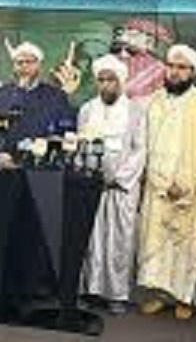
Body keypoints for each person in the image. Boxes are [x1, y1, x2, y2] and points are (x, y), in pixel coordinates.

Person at [0, 41, 76, 321]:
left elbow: (67, 131)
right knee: (4, 233)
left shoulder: (55, 96)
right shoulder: (0, 96)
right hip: (4, 177)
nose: (23, 67)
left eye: (29, 62)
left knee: (36, 235)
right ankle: (4, 289)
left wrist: (46, 150)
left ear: (39, 65)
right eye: (19, 62)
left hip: (41, 177)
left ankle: (36, 289)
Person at [137, 44, 196, 321]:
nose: (174, 72)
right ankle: (160, 295)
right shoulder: (154, 101)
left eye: (182, 67)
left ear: (193, 72)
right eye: (171, 66)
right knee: (156, 242)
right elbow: (146, 144)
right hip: (157, 184)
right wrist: (159, 180)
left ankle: (184, 298)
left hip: (188, 189)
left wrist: (184, 185)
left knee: (183, 244)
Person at [78, 54, 146, 315]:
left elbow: (140, 149)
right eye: (101, 80)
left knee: (119, 240)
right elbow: (80, 145)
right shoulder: (87, 109)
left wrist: (119, 178)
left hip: (121, 188)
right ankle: (89, 290)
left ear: (121, 82)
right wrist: (89, 173)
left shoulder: (136, 111)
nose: (106, 85)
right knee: (90, 238)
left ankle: (116, 294)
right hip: (93, 184)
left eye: (111, 80)